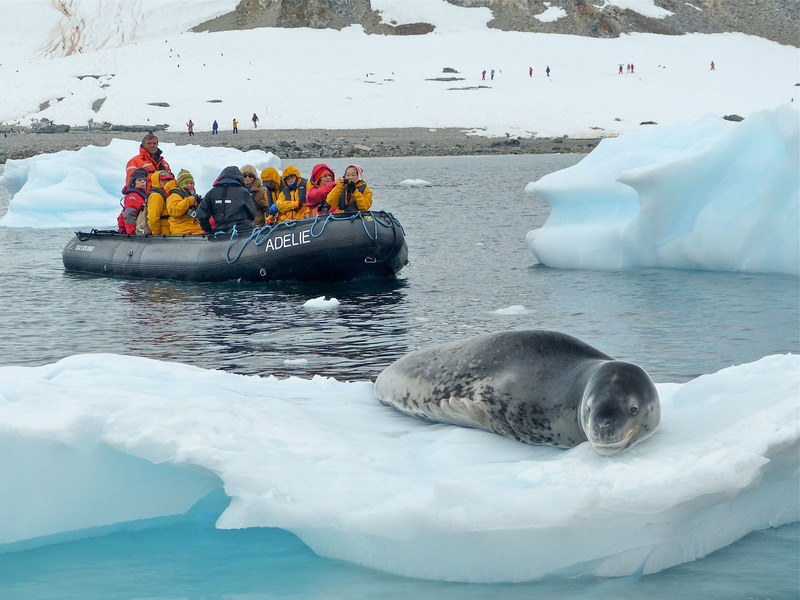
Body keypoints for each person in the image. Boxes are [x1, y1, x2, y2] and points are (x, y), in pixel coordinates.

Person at [196, 166, 256, 234]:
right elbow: (252, 213)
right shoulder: (243, 192)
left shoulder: (212, 193)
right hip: (242, 232)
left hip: (220, 233)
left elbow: (201, 214)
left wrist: (209, 230)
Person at [167, 169, 204, 235]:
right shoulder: (175, 196)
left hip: (195, 231)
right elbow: (174, 211)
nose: (189, 185)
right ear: (180, 184)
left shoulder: (192, 197)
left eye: (191, 183)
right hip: (182, 232)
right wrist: (190, 200)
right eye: (186, 183)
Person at [116, 167, 149, 235]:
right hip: (135, 231)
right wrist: (132, 233)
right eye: (139, 180)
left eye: (144, 180)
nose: (143, 181)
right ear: (133, 182)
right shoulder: (133, 196)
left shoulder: (141, 195)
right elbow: (129, 214)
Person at [147, 170, 176, 236]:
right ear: (157, 181)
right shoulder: (156, 196)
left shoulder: (165, 195)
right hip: (162, 234)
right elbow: (153, 218)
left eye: (167, 180)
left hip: (167, 232)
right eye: (163, 180)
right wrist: (156, 235)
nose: (166, 182)